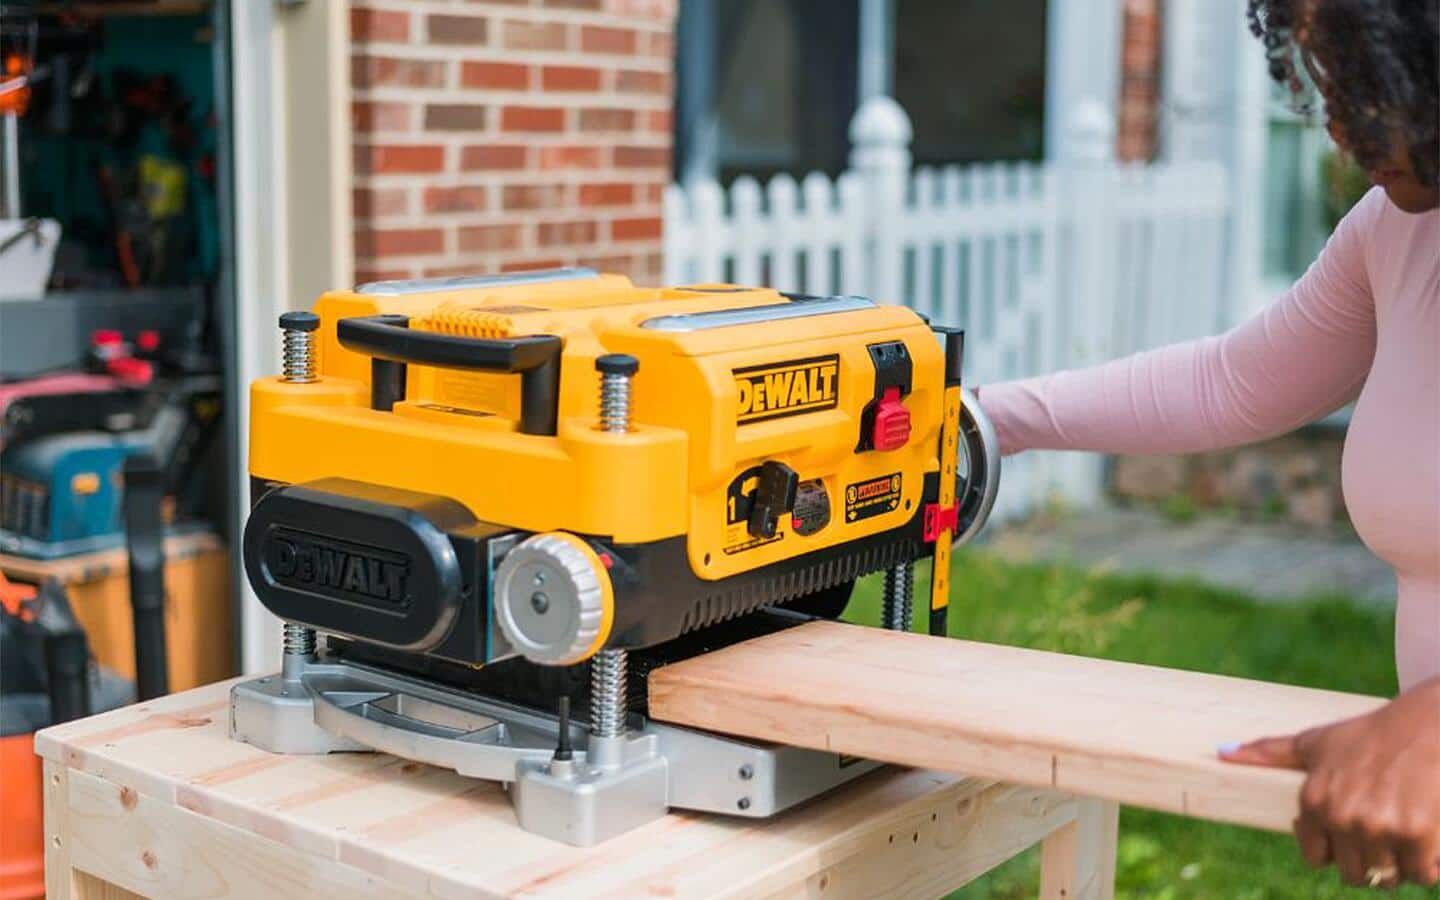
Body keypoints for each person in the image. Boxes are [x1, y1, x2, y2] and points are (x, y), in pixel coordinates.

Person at [977, 0, 1438, 888]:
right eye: (1326, 77)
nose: (1341, 123)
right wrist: (990, 418)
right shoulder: (1398, 232)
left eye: (1368, 75)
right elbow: (1230, 383)